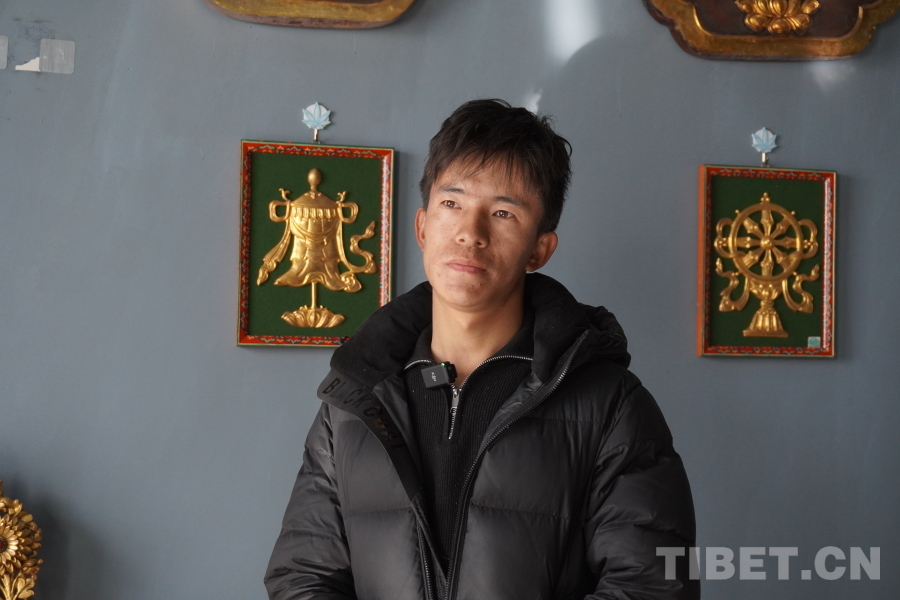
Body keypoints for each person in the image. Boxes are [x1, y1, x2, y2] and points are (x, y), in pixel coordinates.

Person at [264, 99, 699, 600]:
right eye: (452, 204)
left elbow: (651, 587)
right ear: (423, 227)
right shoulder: (354, 400)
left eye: (503, 212)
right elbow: (303, 576)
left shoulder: (612, 405)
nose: (471, 233)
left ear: (540, 249)